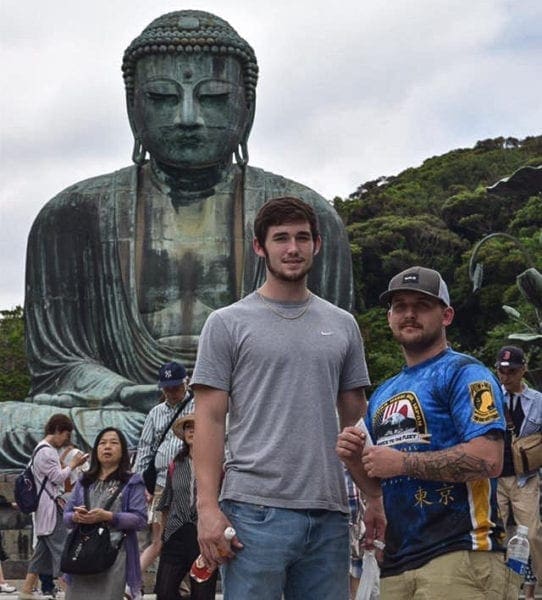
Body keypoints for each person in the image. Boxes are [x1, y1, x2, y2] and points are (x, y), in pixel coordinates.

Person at [0, 10, 355, 471]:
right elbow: (59, 364)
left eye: (213, 97)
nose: (188, 117)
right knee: (13, 424)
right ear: (133, 108)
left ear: (246, 107)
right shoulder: (71, 215)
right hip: (127, 410)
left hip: (254, 408)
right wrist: (123, 389)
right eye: (164, 98)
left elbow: (327, 358)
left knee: (325, 418)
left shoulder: (305, 216)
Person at [192, 196, 385, 599]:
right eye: (280, 238)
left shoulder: (343, 325)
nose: (292, 248)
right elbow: (208, 418)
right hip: (253, 510)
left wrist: (373, 496)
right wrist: (207, 508)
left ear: (317, 243)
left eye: (302, 237)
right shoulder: (227, 323)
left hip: (329, 510)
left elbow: (356, 421)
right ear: (260, 247)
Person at [337, 265, 515, 600]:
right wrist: (355, 460)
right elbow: (379, 484)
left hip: (461, 554)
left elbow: (490, 459)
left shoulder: (466, 374)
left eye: (421, 305)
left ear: (446, 315)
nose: (409, 314)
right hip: (397, 563)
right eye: (400, 306)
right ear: (389, 316)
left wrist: (402, 463)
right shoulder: (383, 394)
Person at [63, 427, 147, 600]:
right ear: (96, 450)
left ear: (123, 451)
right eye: (102, 443)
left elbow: (140, 519)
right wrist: (76, 517)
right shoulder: (84, 481)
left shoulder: (132, 481)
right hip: (83, 553)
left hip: (114, 554)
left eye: (114, 443)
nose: (107, 447)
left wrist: (109, 517)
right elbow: (66, 516)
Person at [17, 414, 88, 600]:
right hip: (51, 508)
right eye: (65, 435)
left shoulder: (40, 449)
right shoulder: (47, 451)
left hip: (45, 508)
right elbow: (58, 477)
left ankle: (26, 590)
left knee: (42, 552)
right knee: (62, 549)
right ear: (58, 430)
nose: (66, 440)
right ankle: (75, 591)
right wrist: (74, 464)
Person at [133, 361, 194, 578]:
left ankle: (183, 586)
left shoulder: (198, 407)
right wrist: (138, 485)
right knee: (161, 536)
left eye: (175, 387)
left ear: (185, 382)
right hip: (161, 483)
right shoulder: (155, 413)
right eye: (166, 388)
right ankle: (165, 584)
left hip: (190, 482)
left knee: (186, 535)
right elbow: (144, 450)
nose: (171, 392)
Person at [495, 345, 542, 599]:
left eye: (511, 370)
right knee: (496, 532)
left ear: (522, 370)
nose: (506, 376)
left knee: (532, 534)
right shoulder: (491, 396)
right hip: (496, 476)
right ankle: (501, 587)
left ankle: (537, 582)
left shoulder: (537, 401)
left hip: (526, 477)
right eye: (501, 370)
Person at [155, 413, 217, 600]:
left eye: (196, 427)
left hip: (203, 534)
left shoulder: (216, 464)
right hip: (175, 532)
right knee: (164, 590)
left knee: (202, 592)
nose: (191, 430)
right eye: (188, 427)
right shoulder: (176, 464)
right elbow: (166, 502)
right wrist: (161, 537)